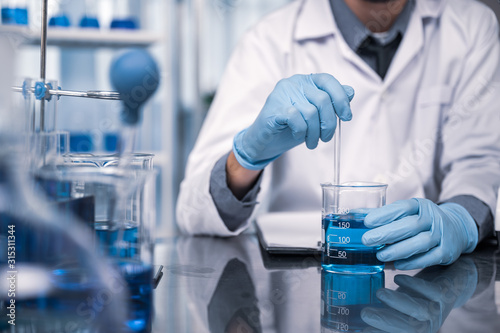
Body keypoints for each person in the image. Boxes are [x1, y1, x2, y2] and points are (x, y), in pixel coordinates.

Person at [176, 0, 500, 270]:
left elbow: (481, 161)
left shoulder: (470, 27)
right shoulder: (269, 40)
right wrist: (249, 155)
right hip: (300, 275)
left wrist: (460, 219)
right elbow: (193, 211)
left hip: (425, 274)